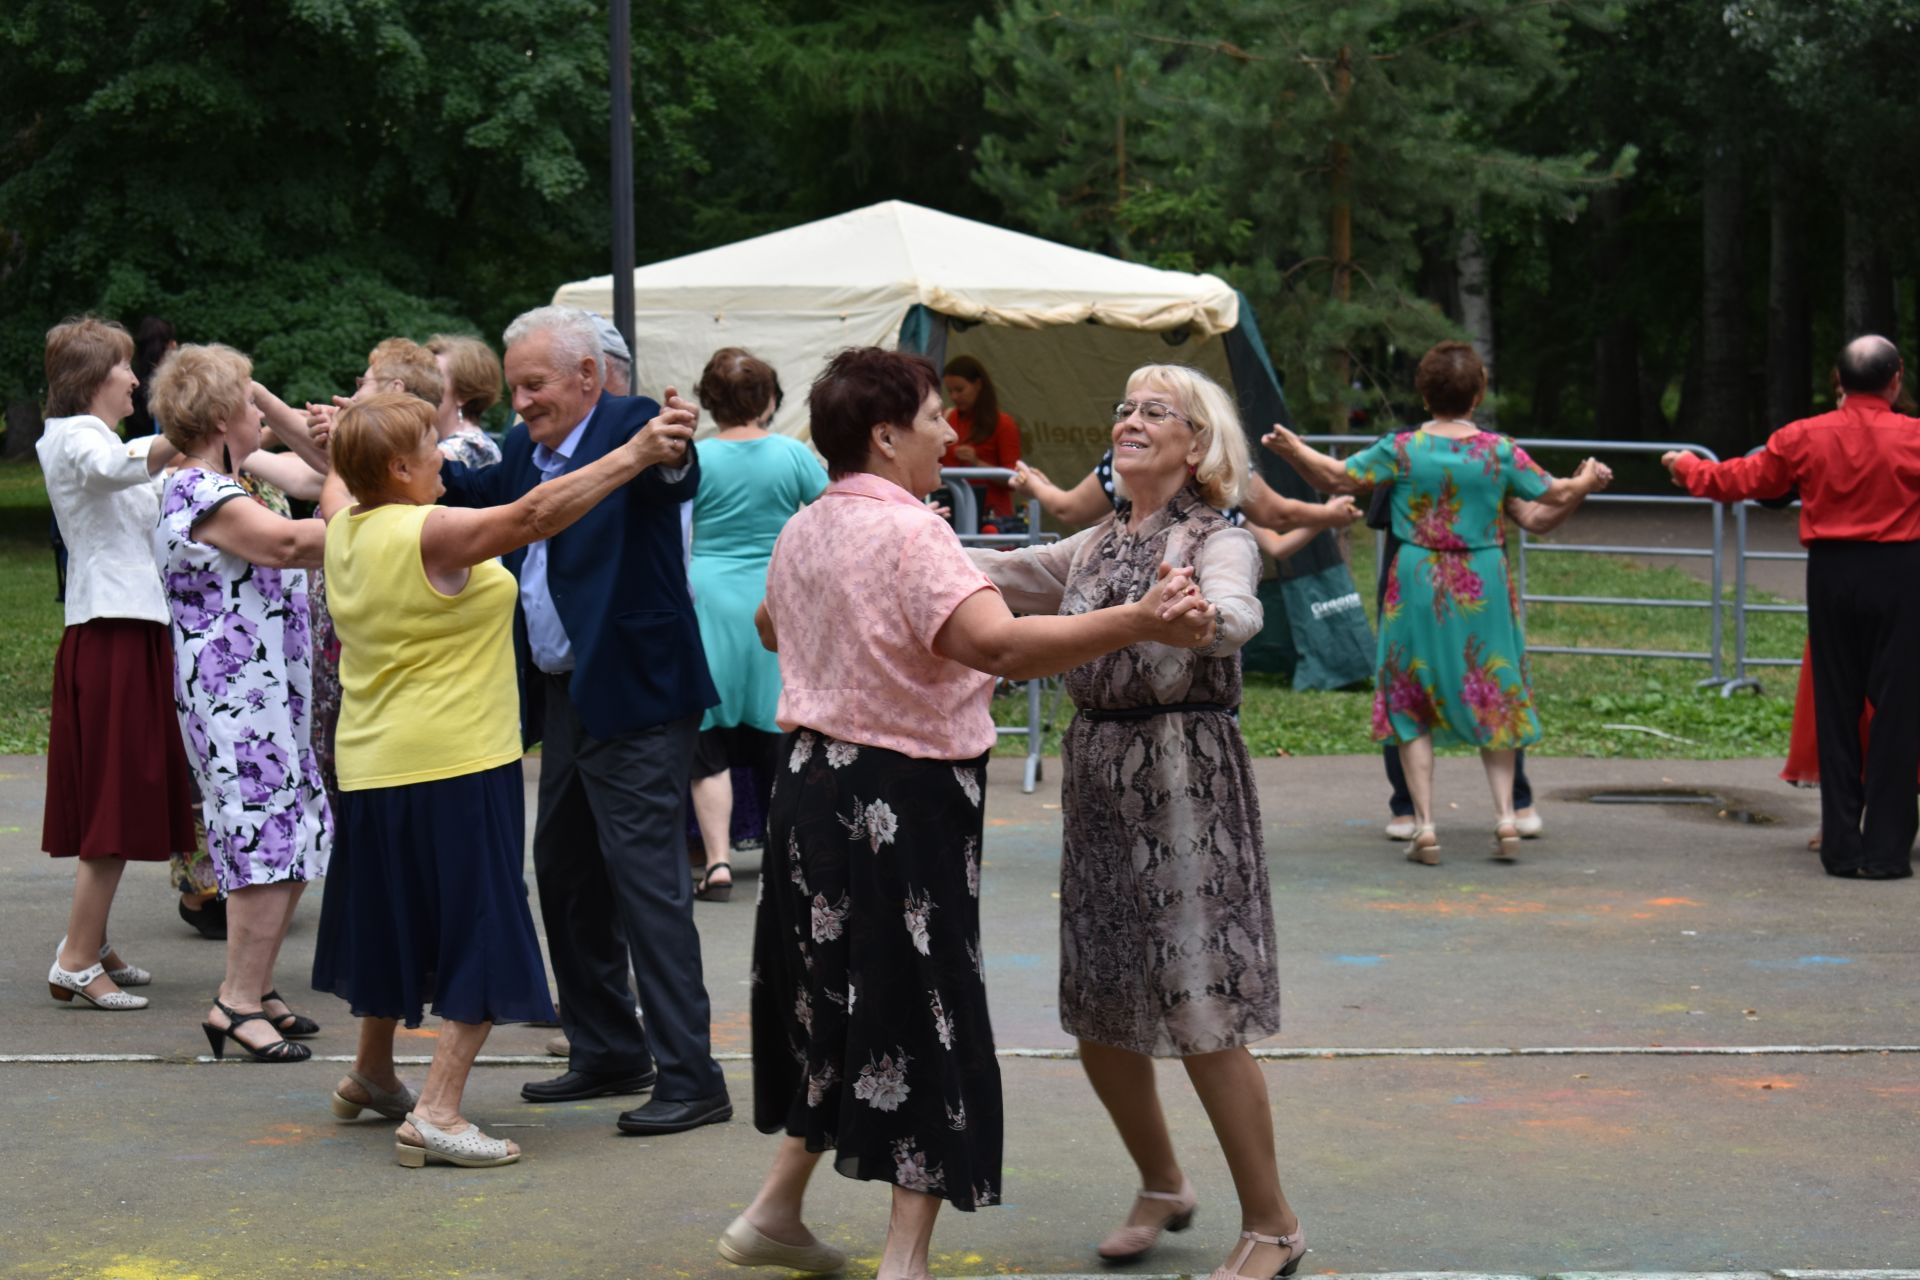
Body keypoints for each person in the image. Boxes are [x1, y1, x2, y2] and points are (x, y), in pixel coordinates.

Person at [725, 346, 1212, 1280]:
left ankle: (775, 1211)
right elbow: (998, 646)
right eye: (933, 416)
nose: (950, 431)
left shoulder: (807, 527)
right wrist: (1137, 620)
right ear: (885, 433)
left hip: (808, 793)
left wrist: (854, 651)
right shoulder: (911, 532)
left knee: (835, 1003)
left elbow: (771, 627)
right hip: (898, 801)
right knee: (922, 1011)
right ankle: (904, 1260)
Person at [964, 363, 1307, 1279]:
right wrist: (892, 537)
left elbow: (1236, 609)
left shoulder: (1216, 536)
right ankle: (1162, 1183)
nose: (1132, 419)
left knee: (1202, 1010)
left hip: (1187, 785)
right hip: (1102, 783)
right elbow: (996, 570)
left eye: (1158, 410)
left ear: (1197, 445)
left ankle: (1273, 1224)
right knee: (1103, 1011)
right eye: (1124, 407)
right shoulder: (1093, 546)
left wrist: (1199, 621)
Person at [309, 389, 695, 1165]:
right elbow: (533, 517)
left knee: (395, 915)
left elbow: (340, 466)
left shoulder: (343, 524)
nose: (444, 455)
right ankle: (439, 1111)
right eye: (429, 444)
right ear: (397, 466)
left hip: (374, 759)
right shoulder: (429, 532)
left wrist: (349, 419)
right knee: (480, 925)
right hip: (452, 759)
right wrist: (636, 453)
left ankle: (372, 1071)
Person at [436, 304, 730, 1134]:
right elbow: (475, 497)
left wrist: (671, 443)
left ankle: (692, 1077)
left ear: (588, 378)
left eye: (534, 385)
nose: (520, 401)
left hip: (635, 693)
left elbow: (675, 468)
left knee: (646, 889)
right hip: (565, 695)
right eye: (516, 386)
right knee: (564, 872)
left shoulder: (636, 425)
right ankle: (606, 1047)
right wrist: (375, 443)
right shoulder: (527, 449)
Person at [1265, 341, 1609, 865]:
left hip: (1417, 579)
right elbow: (1552, 500)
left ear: (1423, 394)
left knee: (1411, 698)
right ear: (1478, 394)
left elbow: (1335, 478)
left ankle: (1423, 825)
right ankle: (1505, 818)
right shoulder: (1499, 451)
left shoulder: (1401, 449)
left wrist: (1292, 449)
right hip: (1483, 581)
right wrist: (1586, 480)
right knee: (1492, 691)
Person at [1662, 334, 1920, 880]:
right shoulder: (1914, 439)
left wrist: (1686, 466)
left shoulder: (1802, 436)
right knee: (1899, 713)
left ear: (1839, 381)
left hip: (1831, 573)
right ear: (1896, 380)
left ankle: (1842, 848)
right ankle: (1887, 853)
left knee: (1837, 706)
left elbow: (1738, 480)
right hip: (1901, 574)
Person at [148, 343, 332, 1060]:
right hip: (236, 701)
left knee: (294, 830)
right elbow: (290, 544)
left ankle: (255, 985)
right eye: (251, 403)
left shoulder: (236, 479)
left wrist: (264, 402)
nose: (262, 412)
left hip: (268, 693)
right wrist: (377, 514)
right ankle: (236, 1001)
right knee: (264, 838)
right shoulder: (196, 490)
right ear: (226, 415)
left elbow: (316, 468)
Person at [39, 316, 196, 1011]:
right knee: (112, 795)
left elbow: (147, 486)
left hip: (127, 627)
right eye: (127, 368)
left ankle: (92, 942)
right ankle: (75, 959)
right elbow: (114, 468)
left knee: (119, 792)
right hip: (112, 630)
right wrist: (192, 429)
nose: (136, 379)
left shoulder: (100, 438)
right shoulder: (75, 436)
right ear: (94, 377)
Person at [687, 348, 826, 903]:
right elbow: (829, 512)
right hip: (773, 600)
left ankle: (717, 862)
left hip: (708, 599)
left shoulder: (695, 458)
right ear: (770, 399)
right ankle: (780, 861)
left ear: (708, 400)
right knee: (777, 735)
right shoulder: (792, 455)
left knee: (707, 742)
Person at [940, 355, 1022, 519]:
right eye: (950, 391)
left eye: (960, 389)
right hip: (951, 513)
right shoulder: (946, 418)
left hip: (991, 516)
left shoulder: (1003, 424)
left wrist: (977, 462)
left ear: (978, 385)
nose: (954, 396)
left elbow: (1014, 479)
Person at [427, 334, 504, 469]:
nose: (421, 384)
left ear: (463, 395)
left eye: (434, 378)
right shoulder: (474, 443)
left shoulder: (465, 448)